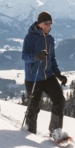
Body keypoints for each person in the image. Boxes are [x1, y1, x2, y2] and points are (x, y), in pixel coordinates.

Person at [22, 11, 69, 140]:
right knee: (34, 107)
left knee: (59, 100)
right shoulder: (30, 37)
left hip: (48, 76)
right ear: (39, 24)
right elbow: (24, 56)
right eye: (46, 23)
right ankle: (29, 133)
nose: (49, 26)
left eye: (50, 24)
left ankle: (55, 131)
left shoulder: (50, 39)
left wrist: (58, 74)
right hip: (33, 77)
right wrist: (36, 56)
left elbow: (52, 58)